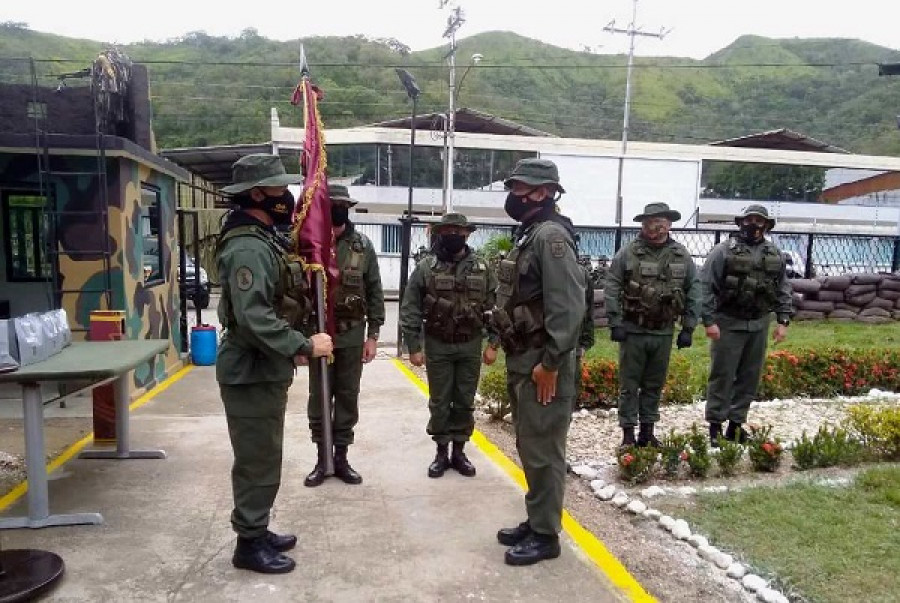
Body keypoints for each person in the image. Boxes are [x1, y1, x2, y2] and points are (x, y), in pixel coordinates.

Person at [215, 154, 334, 574]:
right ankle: (248, 544)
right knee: (257, 459)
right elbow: (254, 318)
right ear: (259, 194)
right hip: (250, 370)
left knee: (264, 455)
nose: (287, 196)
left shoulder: (262, 238)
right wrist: (304, 343)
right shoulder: (248, 246)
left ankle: (256, 527)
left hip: (262, 368)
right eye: (280, 189)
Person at [489, 158, 583, 566]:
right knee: (530, 443)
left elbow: (568, 307)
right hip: (525, 356)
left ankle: (547, 535)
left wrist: (551, 363)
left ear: (543, 192)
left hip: (544, 362)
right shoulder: (531, 234)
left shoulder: (551, 238)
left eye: (520, 188)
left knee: (543, 448)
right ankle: (538, 517)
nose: (514, 195)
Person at [400, 213, 497, 479]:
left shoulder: (483, 268)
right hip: (438, 344)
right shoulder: (426, 267)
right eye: (448, 231)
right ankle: (441, 453)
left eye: (459, 231)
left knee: (465, 401)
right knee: (440, 401)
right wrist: (413, 346)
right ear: (440, 233)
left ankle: (459, 451)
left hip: (470, 345)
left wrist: (494, 343)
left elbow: (495, 307)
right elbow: (410, 307)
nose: (454, 235)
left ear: (467, 234)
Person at [304, 184, 385, 487]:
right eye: (332, 204)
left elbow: (375, 291)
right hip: (318, 337)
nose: (337, 208)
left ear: (348, 209)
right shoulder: (310, 245)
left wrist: (373, 336)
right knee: (319, 397)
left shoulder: (362, 247)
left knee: (348, 397)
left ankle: (341, 457)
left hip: (352, 336)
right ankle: (321, 457)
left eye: (342, 204)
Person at [605, 203, 701, 449]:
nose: (653, 228)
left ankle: (647, 432)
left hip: (663, 331)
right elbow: (613, 286)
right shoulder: (628, 253)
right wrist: (615, 322)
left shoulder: (681, 255)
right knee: (629, 384)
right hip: (633, 330)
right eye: (648, 223)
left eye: (659, 222)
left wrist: (688, 328)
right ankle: (627, 434)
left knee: (654, 384)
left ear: (669, 225)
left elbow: (695, 290)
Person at [702, 204, 792, 445]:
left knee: (749, 377)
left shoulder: (774, 254)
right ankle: (715, 428)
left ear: (767, 225)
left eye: (759, 220)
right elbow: (706, 286)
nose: (753, 224)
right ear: (740, 222)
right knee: (722, 375)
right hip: (728, 322)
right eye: (749, 219)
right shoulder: (722, 251)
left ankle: (736, 425)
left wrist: (783, 320)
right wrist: (709, 321)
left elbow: (783, 288)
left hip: (759, 323)